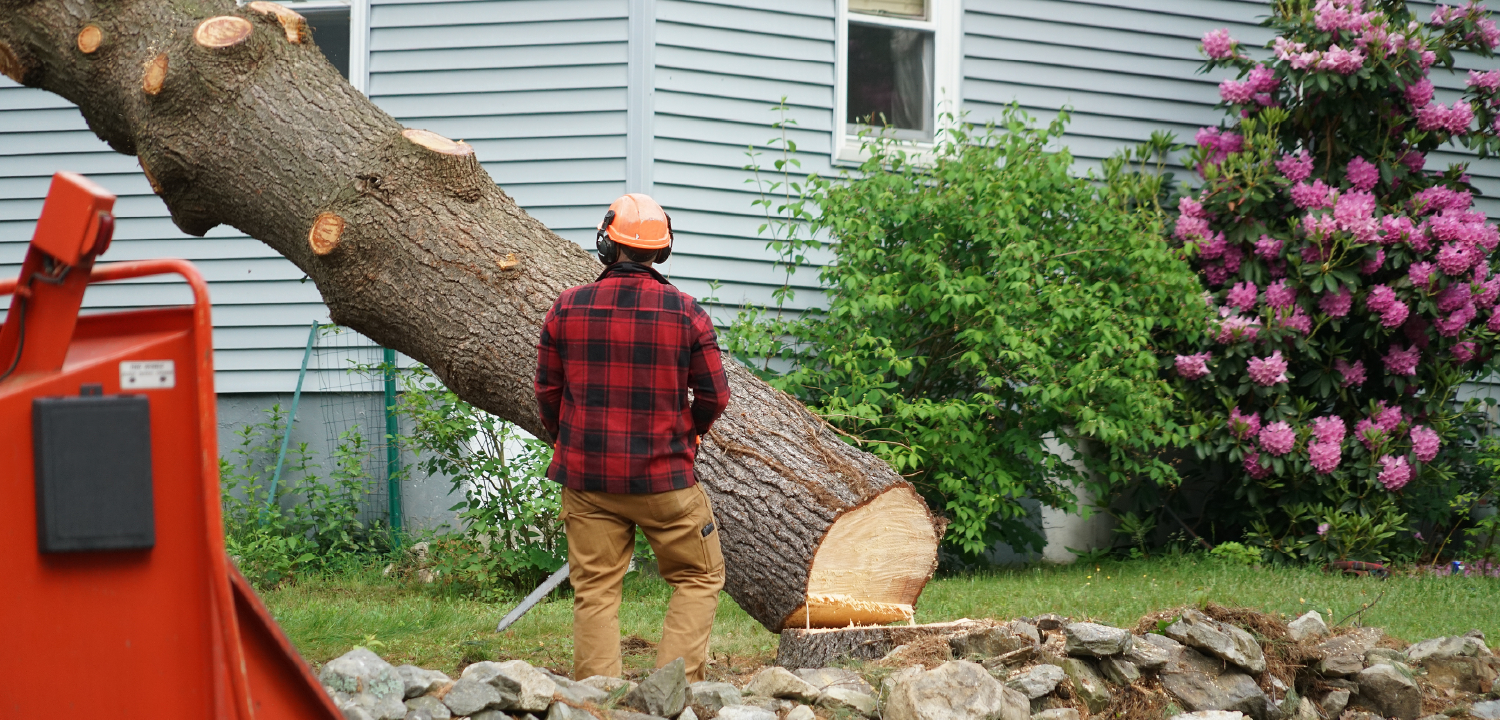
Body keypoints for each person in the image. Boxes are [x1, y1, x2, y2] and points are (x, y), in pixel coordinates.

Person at [534, 193, 732, 683]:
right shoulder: (687, 313)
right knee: (699, 576)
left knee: (595, 589)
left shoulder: (567, 306)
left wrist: (573, 441)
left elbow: (547, 392)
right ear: (662, 251)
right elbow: (715, 396)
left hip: (587, 479)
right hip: (664, 480)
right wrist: (690, 433)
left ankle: (594, 704)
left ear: (607, 243)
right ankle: (672, 693)